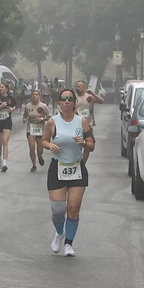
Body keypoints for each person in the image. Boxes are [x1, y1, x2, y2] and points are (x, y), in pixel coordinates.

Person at [44, 88, 93, 257]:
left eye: (69, 99)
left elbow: (92, 144)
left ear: (74, 102)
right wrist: (50, 145)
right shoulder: (52, 122)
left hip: (77, 168)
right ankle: (59, 232)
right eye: (63, 99)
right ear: (59, 102)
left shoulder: (83, 121)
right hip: (57, 167)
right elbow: (43, 140)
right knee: (58, 210)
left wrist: (84, 143)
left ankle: (68, 244)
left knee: (73, 208)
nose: (66, 101)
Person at [0, 81, 17, 171]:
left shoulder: (10, 98)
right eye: (0, 87)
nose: (0, 89)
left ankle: (5, 162)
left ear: (6, 89)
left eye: (2, 87)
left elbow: (14, 106)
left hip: (7, 121)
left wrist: (11, 109)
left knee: (5, 141)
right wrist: (0, 106)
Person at [24, 89, 51, 171]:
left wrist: (42, 118)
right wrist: (25, 119)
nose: (34, 96)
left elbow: (49, 117)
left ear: (39, 96)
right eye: (33, 94)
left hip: (40, 129)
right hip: (30, 128)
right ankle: (34, 165)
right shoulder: (27, 106)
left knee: (40, 148)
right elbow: (25, 116)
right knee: (32, 147)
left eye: (36, 94)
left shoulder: (43, 106)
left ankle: (40, 156)